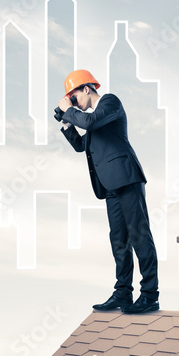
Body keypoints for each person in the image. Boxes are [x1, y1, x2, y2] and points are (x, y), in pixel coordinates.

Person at [54, 69, 159, 314]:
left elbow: (89, 121)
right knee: (118, 240)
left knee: (139, 235)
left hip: (127, 178)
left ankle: (149, 295)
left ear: (86, 89)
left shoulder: (110, 102)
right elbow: (81, 146)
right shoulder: (93, 119)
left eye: (74, 96)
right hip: (109, 185)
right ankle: (123, 292)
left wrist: (70, 110)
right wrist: (67, 121)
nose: (74, 102)